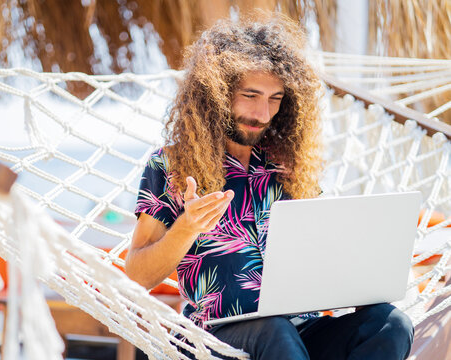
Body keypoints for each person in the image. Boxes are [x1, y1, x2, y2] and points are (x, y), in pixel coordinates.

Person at [125, 12, 414, 360]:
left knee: (390, 323)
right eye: (251, 95)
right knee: (275, 330)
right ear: (216, 93)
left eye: (275, 99)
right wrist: (185, 229)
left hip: (299, 330)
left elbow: (324, 257)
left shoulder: (289, 168)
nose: (263, 113)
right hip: (214, 337)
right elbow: (137, 275)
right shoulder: (170, 165)